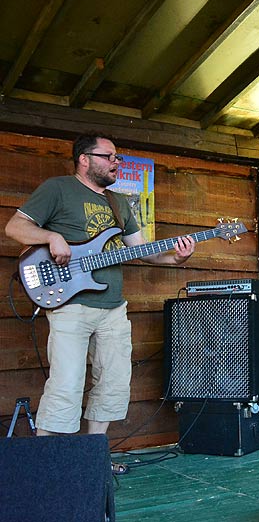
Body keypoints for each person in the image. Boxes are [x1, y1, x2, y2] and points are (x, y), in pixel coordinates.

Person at [4, 133, 195, 473]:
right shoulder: (58, 188)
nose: (115, 163)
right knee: (66, 383)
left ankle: (93, 458)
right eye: (109, 157)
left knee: (113, 383)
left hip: (113, 307)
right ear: (84, 159)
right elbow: (15, 227)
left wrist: (175, 258)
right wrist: (51, 236)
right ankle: (45, 464)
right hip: (70, 305)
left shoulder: (118, 203)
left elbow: (142, 250)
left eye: (117, 157)